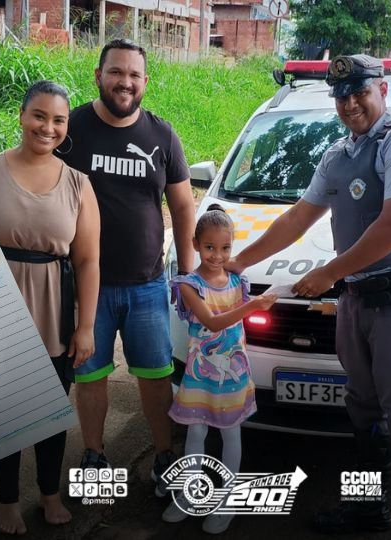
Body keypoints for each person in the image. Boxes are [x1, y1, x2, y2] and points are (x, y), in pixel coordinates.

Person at [226, 54, 391, 539]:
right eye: (342, 97)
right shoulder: (339, 154)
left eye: (360, 93)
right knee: (363, 412)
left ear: (382, 90)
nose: (350, 104)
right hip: (356, 302)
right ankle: (368, 510)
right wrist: (240, 261)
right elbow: (296, 218)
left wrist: (328, 273)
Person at [57, 38, 196, 495]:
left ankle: (163, 456)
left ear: (145, 82)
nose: (125, 82)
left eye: (134, 75)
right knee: (90, 376)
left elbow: (181, 205)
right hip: (86, 288)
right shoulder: (70, 128)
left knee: (156, 377)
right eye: (116, 72)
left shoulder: (162, 135)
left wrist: (188, 273)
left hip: (147, 286)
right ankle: (95, 457)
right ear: (98, 75)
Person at [0, 80, 101, 535]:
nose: (48, 127)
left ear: (66, 126)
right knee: (1, 412)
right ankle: (6, 501)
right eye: (39, 116)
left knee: (49, 410)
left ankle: (48, 493)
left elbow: (87, 261)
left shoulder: (79, 184)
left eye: (58, 120)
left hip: (54, 311)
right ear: (22, 116)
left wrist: (86, 327)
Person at [160, 204, 277, 534]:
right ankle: (188, 495)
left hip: (233, 374)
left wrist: (252, 303)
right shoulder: (188, 285)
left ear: (232, 246)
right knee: (196, 431)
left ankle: (227, 499)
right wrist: (252, 306)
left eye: (225, 248)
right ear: (195, 244)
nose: (217, 255)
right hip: (200, 374)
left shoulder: (239, 282)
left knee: (231, 432)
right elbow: (211, 322)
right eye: (209, 247)